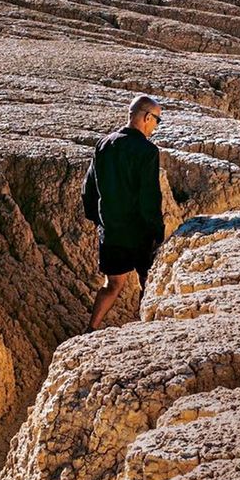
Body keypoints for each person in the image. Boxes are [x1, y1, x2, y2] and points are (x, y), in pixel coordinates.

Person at [82, 95, 165, 330]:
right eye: (157, 121)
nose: (156, 127)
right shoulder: (147, 151)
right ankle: (144, 327)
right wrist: (157, 232)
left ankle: (91, 328)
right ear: (147, 117)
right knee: (147, 282)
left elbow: (88, 187)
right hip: (138, 232)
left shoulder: (104, 144)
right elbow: (149, 196)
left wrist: (100, 221)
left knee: (112, 285)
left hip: (111, 231)